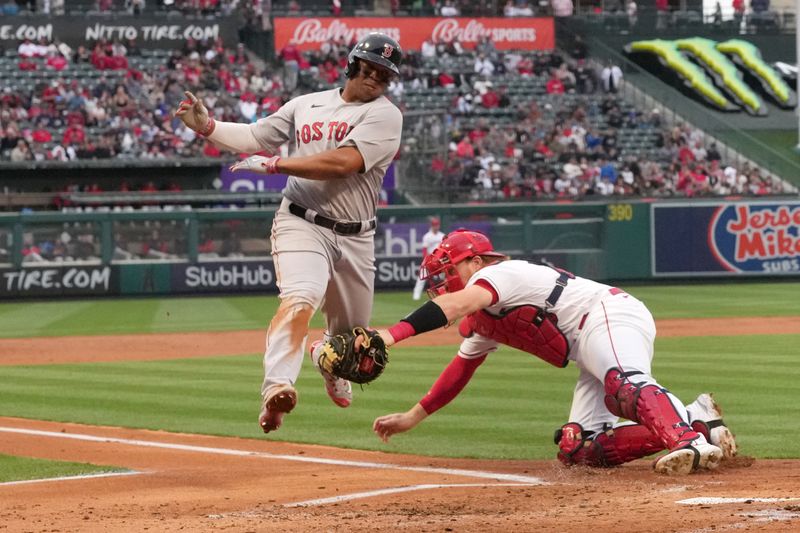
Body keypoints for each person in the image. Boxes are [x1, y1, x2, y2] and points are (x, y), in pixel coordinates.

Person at [175, 33, 403, 434]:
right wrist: (208, 127)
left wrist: (278, 165)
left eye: (383, 75)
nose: (374, 79)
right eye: (369, 69)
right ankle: (277, 388)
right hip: (301, 221)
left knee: (351, 339)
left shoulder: (385, 115)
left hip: (356, 236)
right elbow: (256, 136)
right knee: (301, 298)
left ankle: (328, 362)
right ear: (351, 65)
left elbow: (343, 163)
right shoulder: (306, 104)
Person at [370, 230, 738, 475]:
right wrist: (413, 416)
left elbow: (453, 305)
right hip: (585, 345)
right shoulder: (484, 315)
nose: (442, 283)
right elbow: (461, 369)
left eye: (449, 271)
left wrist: (390, 335)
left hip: (608, 314)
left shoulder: (499, 276)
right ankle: (697, 422)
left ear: (477, 262)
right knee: (578, 450)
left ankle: (688, 442)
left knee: (624, 385)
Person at [412, 217, 445, 301]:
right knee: (422, 277)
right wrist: (426, 260)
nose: (436, 227)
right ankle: (416, 295)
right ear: (431, 226)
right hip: (430, 259)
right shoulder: (427, 236)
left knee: (444, 277)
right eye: (434, 225)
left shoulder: (442, 235)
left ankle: (444, 293)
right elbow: (424, 249)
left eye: (437, 225)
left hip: (440, 260)